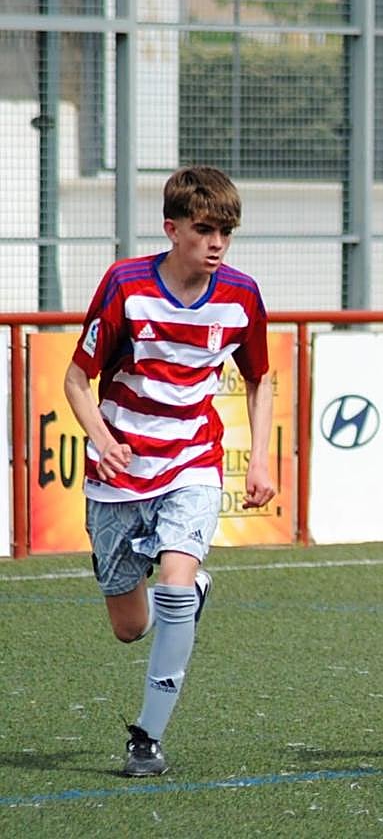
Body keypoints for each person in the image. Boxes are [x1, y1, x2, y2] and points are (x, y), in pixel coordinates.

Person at [63, 165, 276, 777]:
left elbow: (260, 378)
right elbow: (77, 380)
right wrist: (102, 440)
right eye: (205, 229)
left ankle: (146, 738)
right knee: (129, 627)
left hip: (192, 462)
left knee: (177, 588)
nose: (217, 243)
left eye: (226, 233)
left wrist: (258, 458)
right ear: (172, 228)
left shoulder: (241, 296)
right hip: (119, 472)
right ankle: (183, 597)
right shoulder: (125, 285)